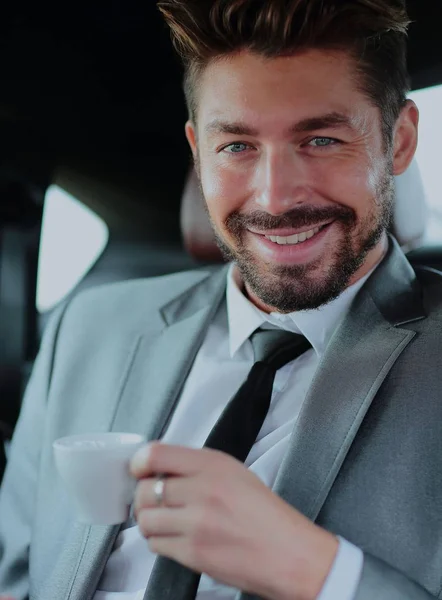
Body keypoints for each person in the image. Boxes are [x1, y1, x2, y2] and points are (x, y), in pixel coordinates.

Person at [1, 0, 442, 598]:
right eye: (237, 146)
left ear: (399, 140)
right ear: (197, 150)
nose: (277, 196)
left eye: (320, 138)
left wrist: (319, 571)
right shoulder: (89, 329)